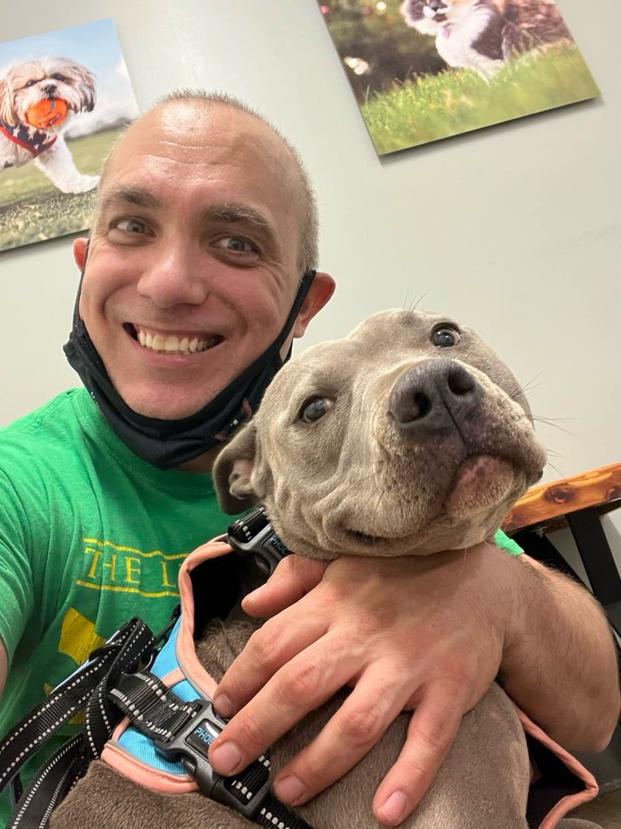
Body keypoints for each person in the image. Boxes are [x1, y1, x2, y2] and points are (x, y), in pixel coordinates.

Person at [0, 92, 618, 828]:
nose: (168, 283)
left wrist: (495, 593)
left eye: (236, 242)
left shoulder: (365, 487)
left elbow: (595, 715)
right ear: (86, 262)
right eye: (132, 227)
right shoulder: (21, 485)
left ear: (304, 304)